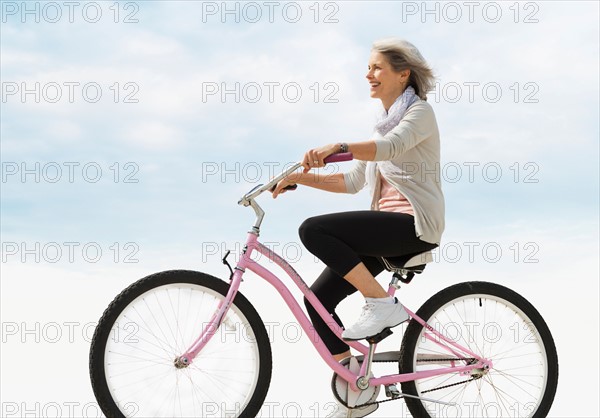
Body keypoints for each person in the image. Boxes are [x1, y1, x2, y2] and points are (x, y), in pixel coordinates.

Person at [271, 38, 445, 417]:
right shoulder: (382, 128)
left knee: (313, 230)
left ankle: (382, 304)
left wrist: (339, 145)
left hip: (412, 226)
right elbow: (351, 182)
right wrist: (297, 177)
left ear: (404, 75)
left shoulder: (419, 114)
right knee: (316, 301)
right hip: (383, 235)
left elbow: (392, 148)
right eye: (368, 67)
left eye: (377, 67)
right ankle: (356, 388)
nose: (368, 74)